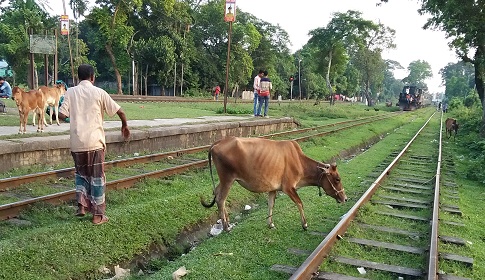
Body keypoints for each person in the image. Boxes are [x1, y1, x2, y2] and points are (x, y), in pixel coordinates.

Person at [58, 64, 130, 225]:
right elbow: (120, 111)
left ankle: (82, 207)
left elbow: (62, 115)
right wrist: (124, 125)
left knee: (81, 175)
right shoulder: (99, 93)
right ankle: (98, 215)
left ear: (78, 77)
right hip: (95, 142)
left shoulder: (70, 92)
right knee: (97, 178)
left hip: (77, 143)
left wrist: (64, 115)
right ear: (92, 77)